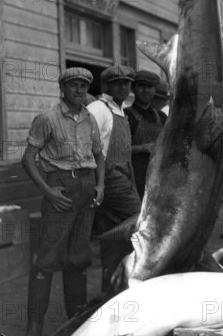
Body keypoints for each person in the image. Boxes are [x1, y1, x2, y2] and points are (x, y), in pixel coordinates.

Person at [22, 68, 104, 336]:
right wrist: (47, 191)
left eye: (84, 86)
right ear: (63, 88)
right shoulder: (47, 118)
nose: (79, 90)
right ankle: (34, 326)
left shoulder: (90, 118)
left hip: (87, 188)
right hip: (61, 190)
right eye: (73, 85)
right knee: (46, 260)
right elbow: (28, 159)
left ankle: (76, 320)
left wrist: (100, 185)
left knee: (78, 257)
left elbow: (99, 155)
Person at [87, 64, 142, 291]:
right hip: (109, 179)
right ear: (107, 85)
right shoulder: (97, 109)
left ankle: (112, 290)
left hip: (124, 175)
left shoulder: (121, 110)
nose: (123, 87)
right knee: (142, 220)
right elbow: (86, 147)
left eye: (126, 83)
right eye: (117, 83)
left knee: (115, 237)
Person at [125, 70, 167, 198]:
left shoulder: (162, 117)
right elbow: (118, 151)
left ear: (154, 90)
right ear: (133, 88)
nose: (146, 90)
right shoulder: (125, 116)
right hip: (136, 179)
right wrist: (143, 148)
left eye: (150, 87)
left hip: (160, 178)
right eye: (142, 86)